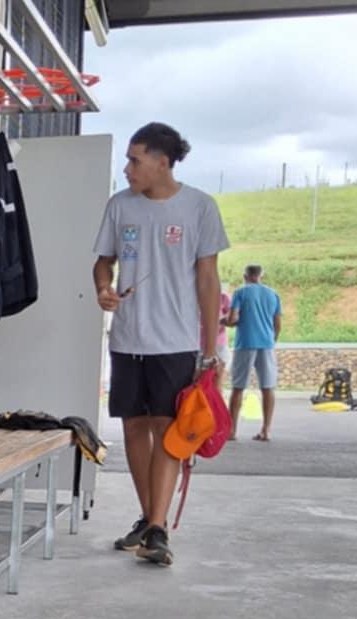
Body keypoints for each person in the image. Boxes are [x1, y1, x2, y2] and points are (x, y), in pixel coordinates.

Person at [92, 123, 228, 568]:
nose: (127, 168)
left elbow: (208, 280)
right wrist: (104, 289)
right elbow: (102, 262)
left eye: (135, 160)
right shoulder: (120, 206)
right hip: (128, 338)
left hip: (176, 341)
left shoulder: (199, 207)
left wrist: (210, 351)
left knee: (168, 432)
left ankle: (155, 525)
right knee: (134, 427)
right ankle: (153, 523)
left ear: (162, 161)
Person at [226, 264, 283, 441]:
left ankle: (232, 431)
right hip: (266, 344)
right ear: (260, 275)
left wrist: (223, 322)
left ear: (245, 276)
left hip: (245, 343)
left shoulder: (240, 293)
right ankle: (266, 430)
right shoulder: (273, 294)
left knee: (238, 387)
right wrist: (271, 340)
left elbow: (233, 318)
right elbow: (278, 323)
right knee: (267, 387)